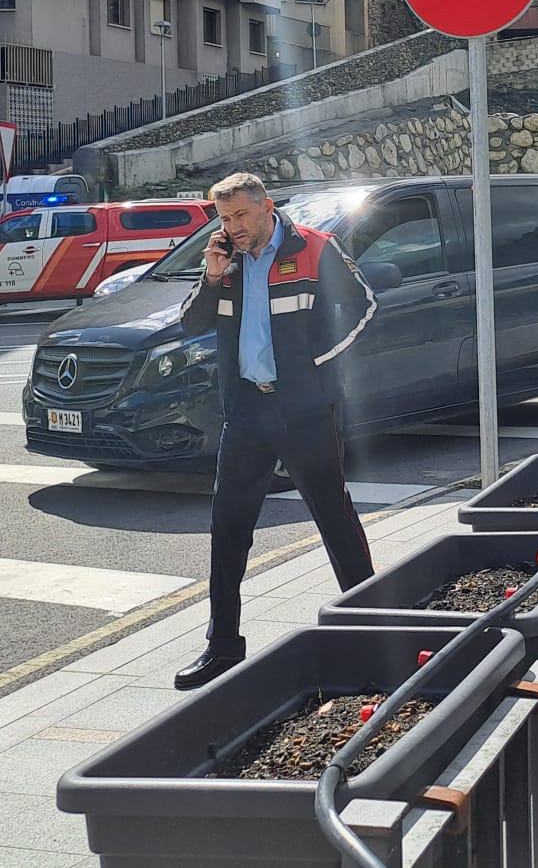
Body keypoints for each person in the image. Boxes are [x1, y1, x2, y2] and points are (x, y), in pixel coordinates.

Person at [174, 172, 379, 690]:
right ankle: (222, 647)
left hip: (304, 411)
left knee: (333, 517)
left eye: (241, 215)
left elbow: (364, 308)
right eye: (224, 218)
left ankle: (372, 629)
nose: (233, 227)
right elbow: (192, 325)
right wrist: (213, 275)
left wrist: (315, 372)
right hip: (246, 412)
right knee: (228, 528)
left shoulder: (315, 248)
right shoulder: (226, 260)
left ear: (267, 206)